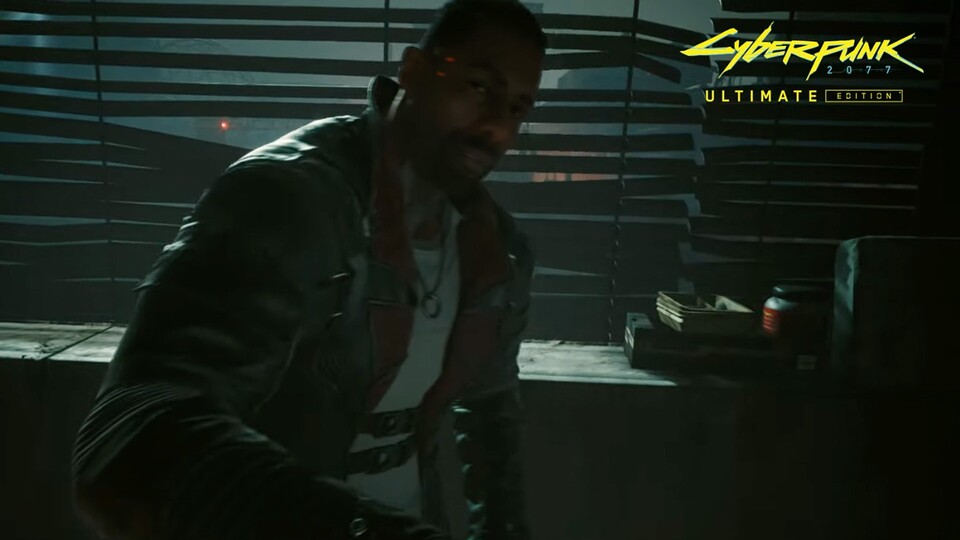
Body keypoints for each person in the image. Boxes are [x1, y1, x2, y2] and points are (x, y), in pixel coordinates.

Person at [69, 1, 545, 539]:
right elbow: (132, 435)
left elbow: (490, 416)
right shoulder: (290, 197)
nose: (495, 127)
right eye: (478, 87)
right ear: (413, 71)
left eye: (516, 107)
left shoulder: (496, 251)